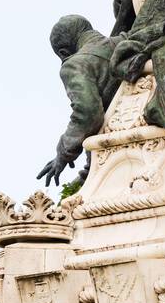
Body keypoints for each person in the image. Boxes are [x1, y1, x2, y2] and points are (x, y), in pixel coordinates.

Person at [36, 15, 116, 187]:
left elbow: (88, 113)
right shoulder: (125, 42)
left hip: (113, 154)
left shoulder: (75, 64)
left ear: (64, 52)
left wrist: (63, 152)